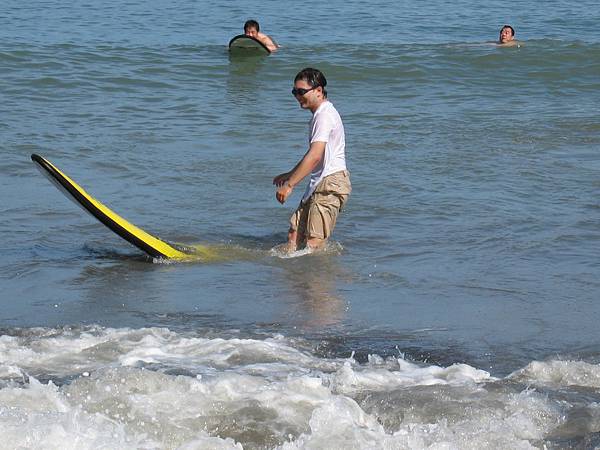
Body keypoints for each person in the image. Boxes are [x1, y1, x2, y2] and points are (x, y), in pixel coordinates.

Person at [273, 68, 351, 252]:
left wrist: (290, 185)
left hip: (331, 182)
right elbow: (315, 154)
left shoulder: (324, 115)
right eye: (294, 92)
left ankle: (317, 279)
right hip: (319, 182)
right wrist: (291, 174)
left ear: (318, 90)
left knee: (313, 243)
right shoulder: (321, 114)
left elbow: (315, 155)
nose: (297, 96)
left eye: (301, 91)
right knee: (295, 235)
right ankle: (291, 276)